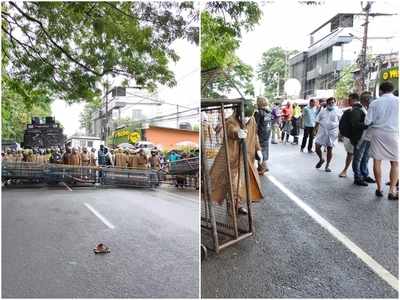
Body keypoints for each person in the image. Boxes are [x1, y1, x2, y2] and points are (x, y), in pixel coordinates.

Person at [209, 100, 264, 215]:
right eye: (244, 117)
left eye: (248, 117)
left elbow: (255, 136)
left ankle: (237, 205)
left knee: (243, 184)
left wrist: (258, 150)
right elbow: (231, 130)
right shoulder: (231, 121)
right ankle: (232, 207)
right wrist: (237, 133)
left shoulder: (252, 120)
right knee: (233, 184)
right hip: (232, 158)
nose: (246, 119)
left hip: (246, 157)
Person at [364, 82, 399, 200]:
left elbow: (367, 122)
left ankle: (379, 188)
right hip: (393, 134)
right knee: (395, 163)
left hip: (377, 133)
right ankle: (392, 190)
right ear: (392, 90)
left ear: (381, 91)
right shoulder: (398, 101)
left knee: (377, 161)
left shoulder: (375, 103)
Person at [350, 91, 375, 186]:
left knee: (366, 157)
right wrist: (368, 124)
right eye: (370, 99)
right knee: (358, 158)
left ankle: (364, 174)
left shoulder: (367, 109)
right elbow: (355, 124)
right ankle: (357, 177)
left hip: (368, 137)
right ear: (366, 100)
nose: (372, 101)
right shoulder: (357, 109)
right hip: (360, 137)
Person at [314, 97, 342, 172]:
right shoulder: (322, 111)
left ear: (334, 103)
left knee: (329, 149)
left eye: (332, 102)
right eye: (329, 102)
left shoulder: (338, 111)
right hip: (322, 132)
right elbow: (317, 120)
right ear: (327, 103)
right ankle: (321, 159)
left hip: (332, 133)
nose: (331, 104)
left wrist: (340, 133)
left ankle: (327, 166)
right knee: (317, 147)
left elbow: (341, 122)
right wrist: (314, 130)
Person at [338, 93, 359, 178]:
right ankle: (348, 171)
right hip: (351, 136)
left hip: (355, 136)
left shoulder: (358, 109)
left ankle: (348, 171)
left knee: (353, 154)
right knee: (351, 153)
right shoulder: (350, 110)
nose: (348, 101)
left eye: (349, 99)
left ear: (354, 99)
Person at [254, 96, 272, 174]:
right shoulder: (269, 112)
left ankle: (263, 167)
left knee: (259, 150)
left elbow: (255, 125)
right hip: (267, 133)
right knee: (264, 149)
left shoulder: (258, 112)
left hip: (260, 134)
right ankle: (262, 167)